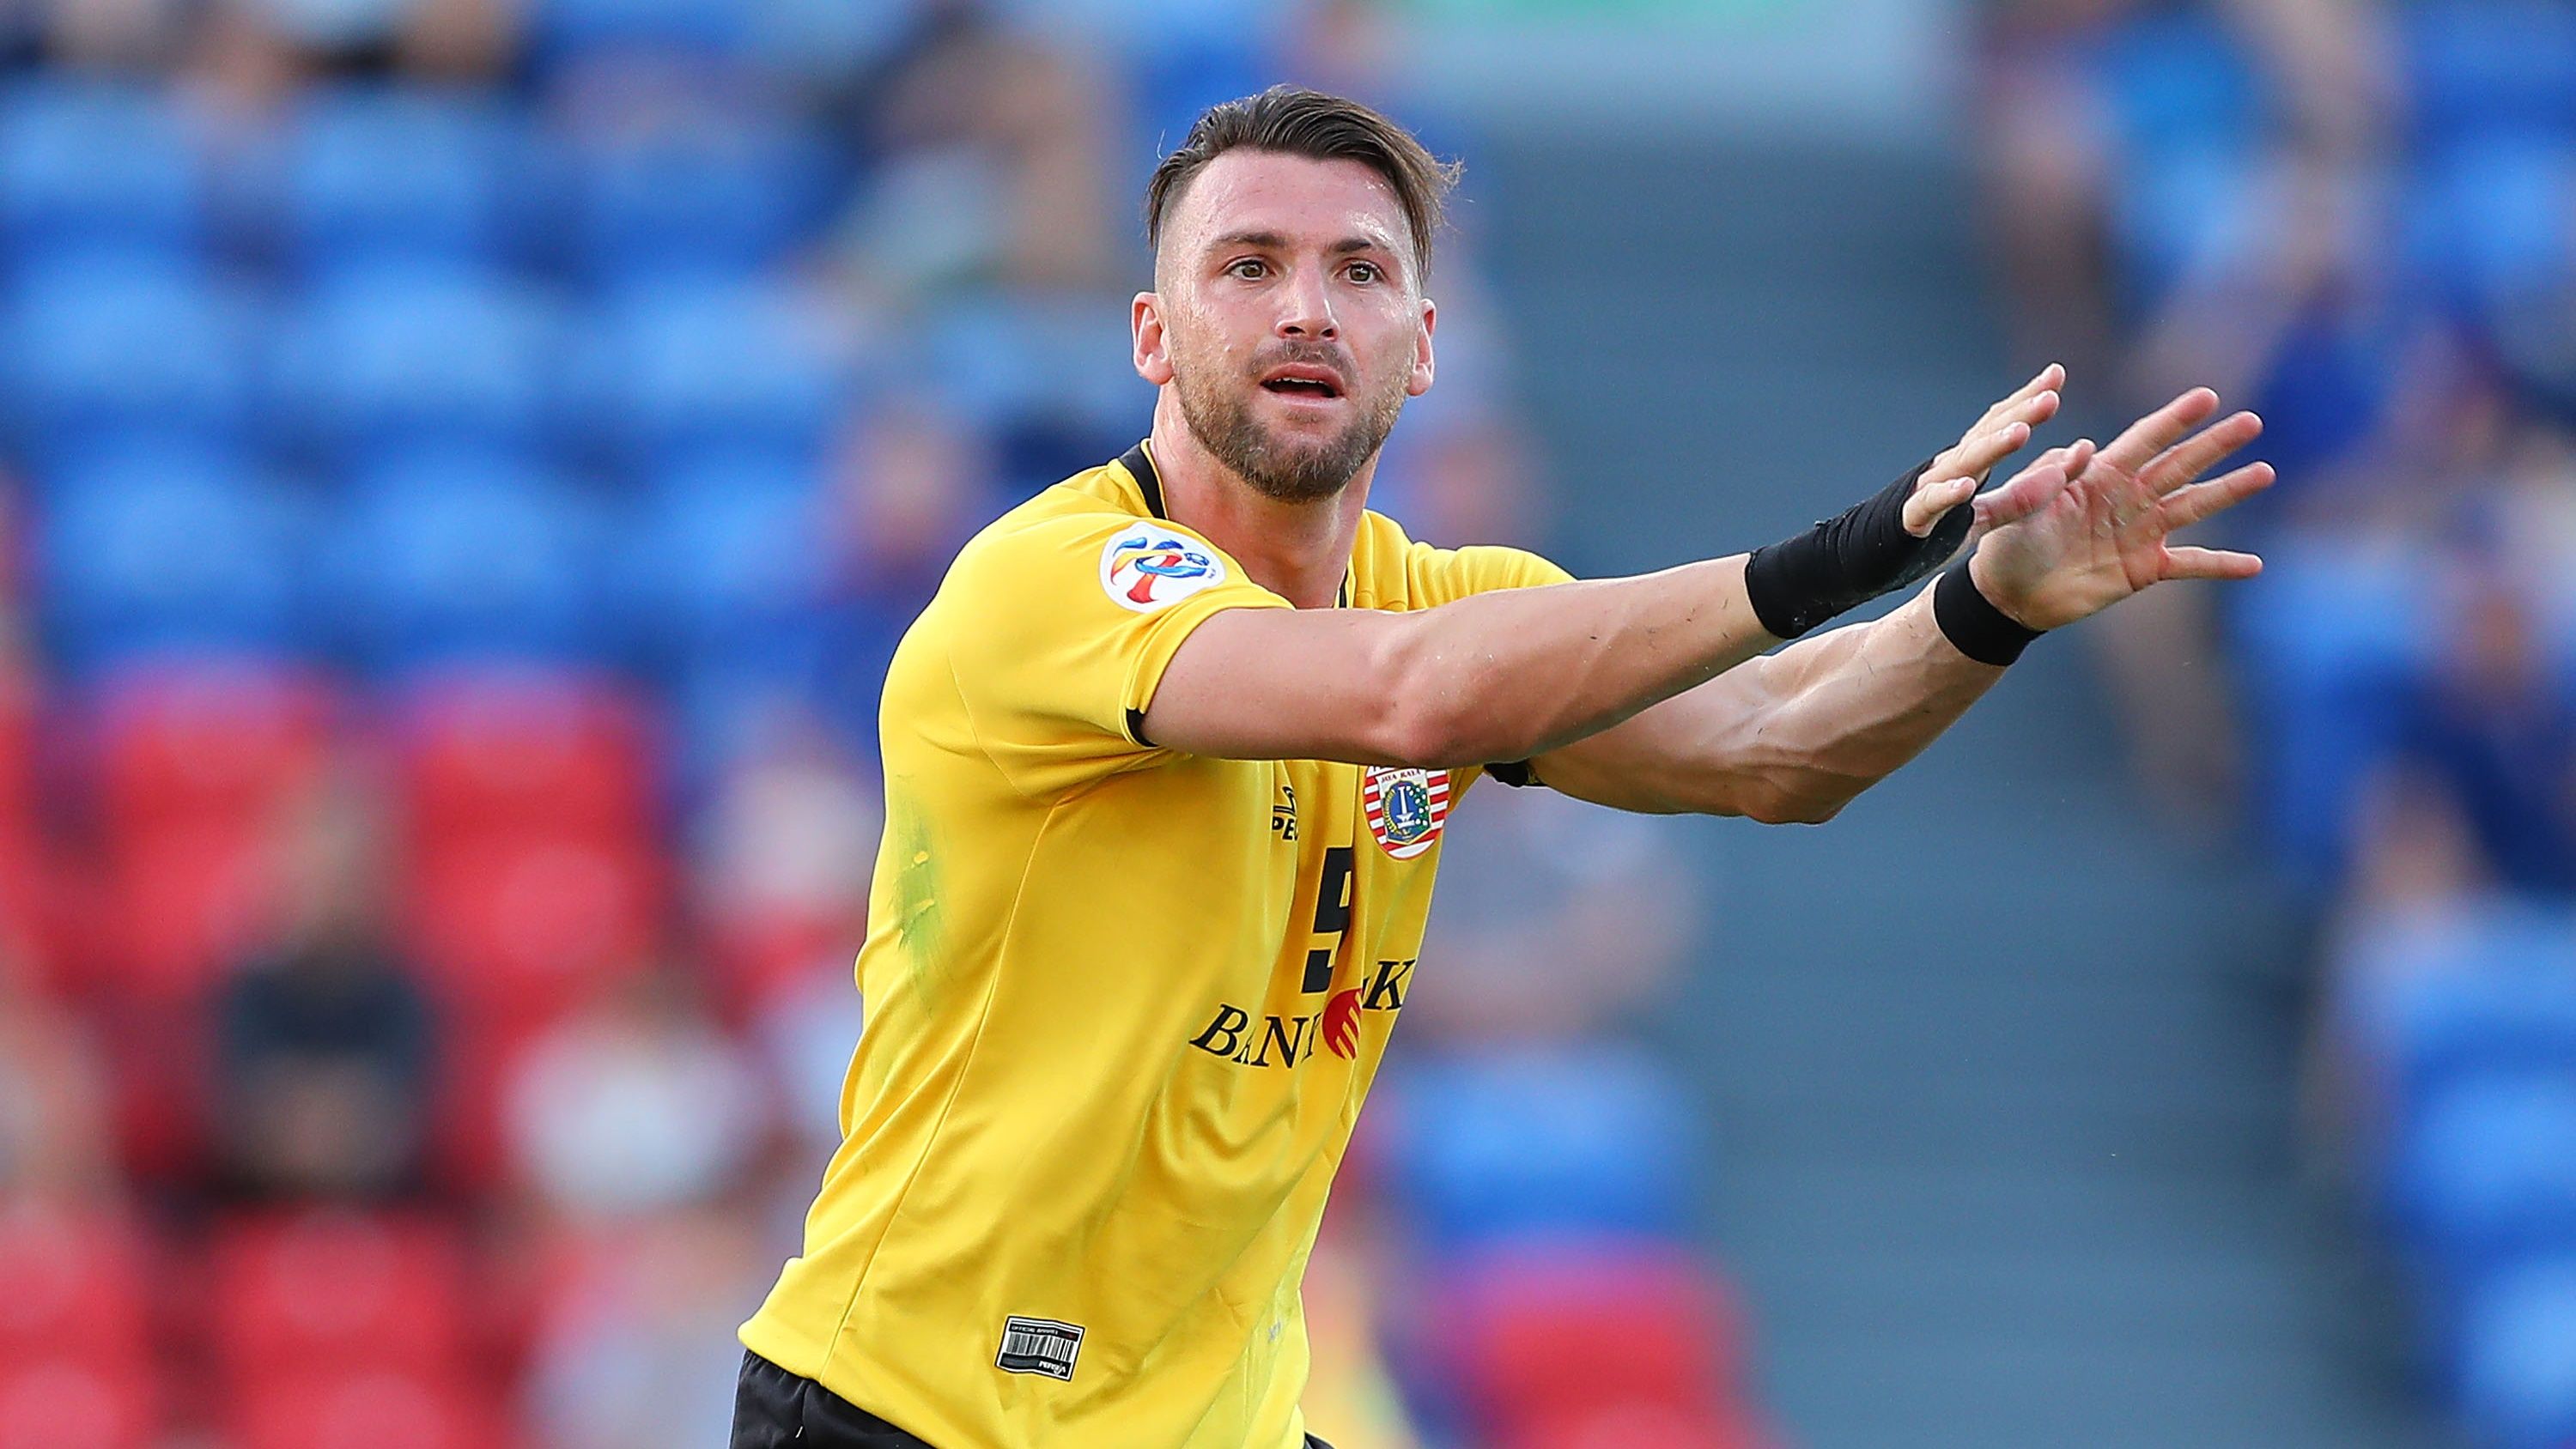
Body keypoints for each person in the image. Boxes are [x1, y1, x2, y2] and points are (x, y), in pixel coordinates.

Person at [734, 85, 2275, 1449]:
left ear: (1422, 348)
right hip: (914, 1413)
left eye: (1359, 273)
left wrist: (1986, 601)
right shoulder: (1055, 582)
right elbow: (1406, 701)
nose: (1305, 311)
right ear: (1154, 332)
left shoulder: (1458, 604)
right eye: (1247, 267)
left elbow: (1778, 746)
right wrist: (1853, 548)